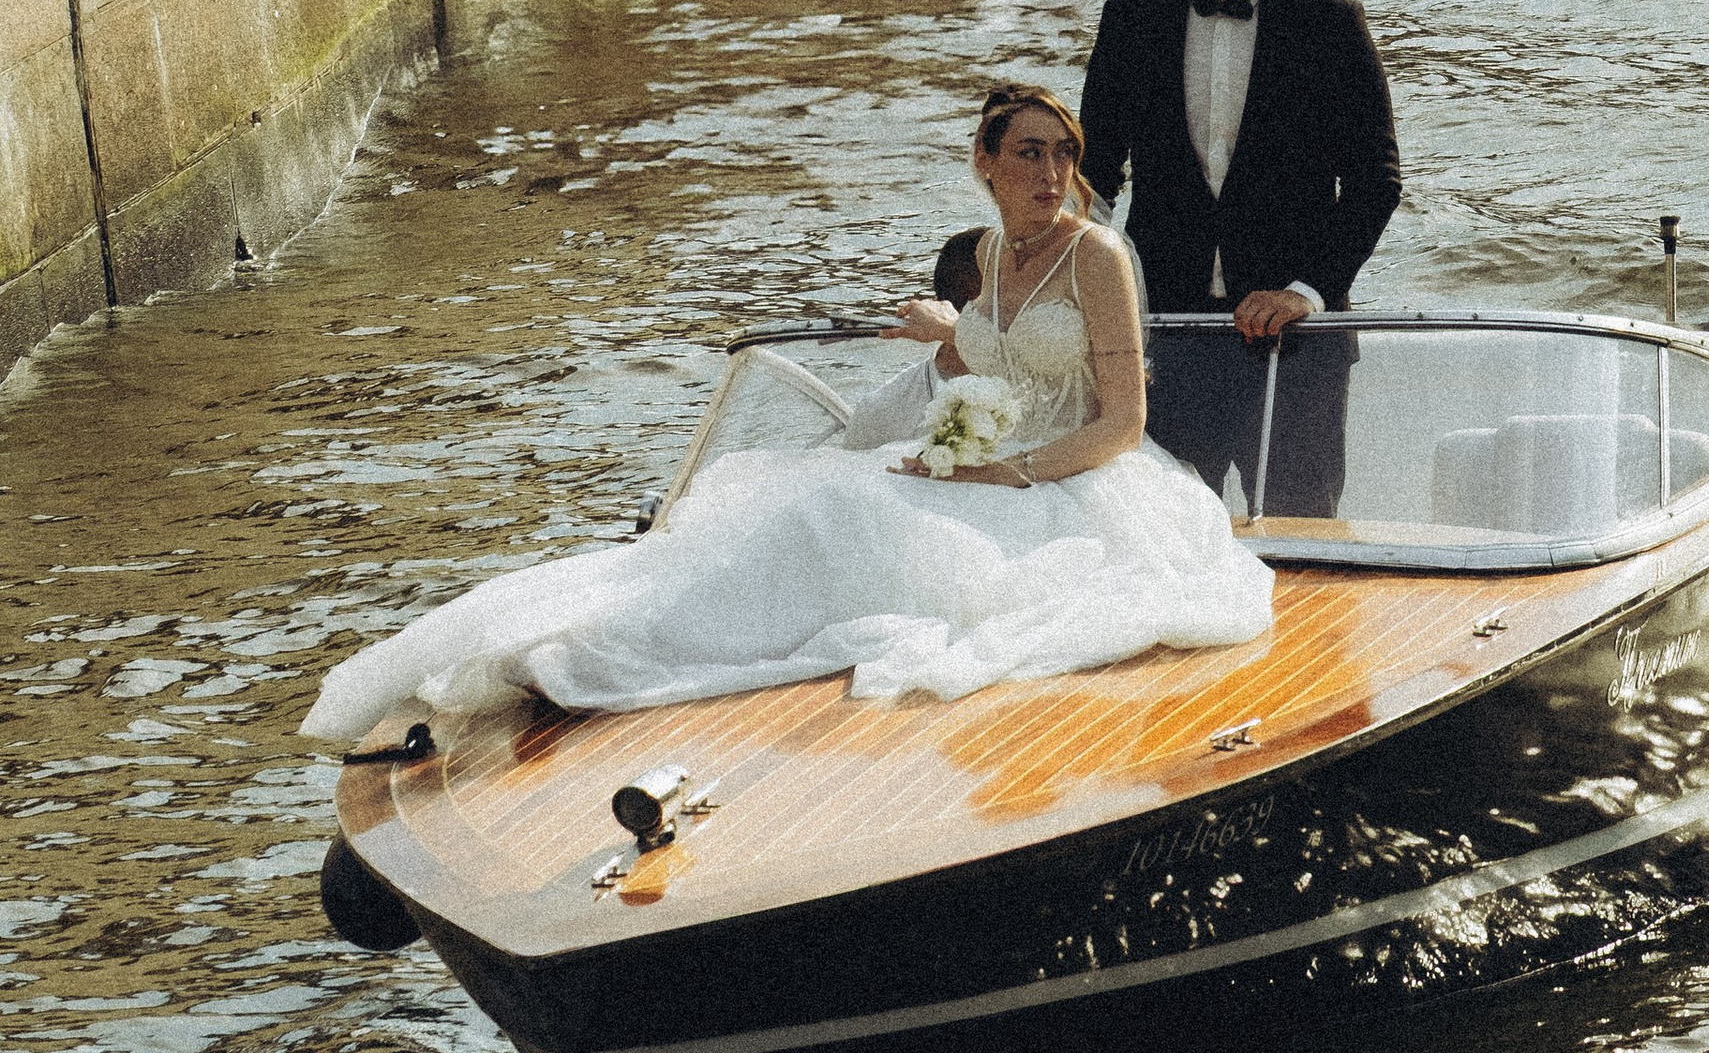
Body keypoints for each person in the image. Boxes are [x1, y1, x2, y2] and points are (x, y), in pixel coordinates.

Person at [297, 88, 1273, 744]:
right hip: (989, 468)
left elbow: (1116, 419)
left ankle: (623, 656)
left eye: (1064, 155)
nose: (1050, 174)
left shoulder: (1096, 255)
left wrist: (1000, 470)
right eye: (1028, 154)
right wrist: (956, 406)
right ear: (982, 162)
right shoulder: (982, 254)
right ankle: (604, 640)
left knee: (837, 522)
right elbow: (992, 365)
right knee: (801, 510)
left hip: (1083, 485)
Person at [1080, 0, 1401, 516]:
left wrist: (1305, 291)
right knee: (1153, 537)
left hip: (1297, 350)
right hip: (1161, 343)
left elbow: (1376, 183)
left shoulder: (1332, 26)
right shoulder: (1129, 21)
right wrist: (1084, 298)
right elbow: (1091, 185)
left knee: (1302, 544)